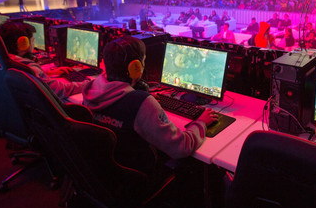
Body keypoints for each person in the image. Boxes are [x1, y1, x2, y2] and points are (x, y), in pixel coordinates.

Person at [81, 36, 217, 175]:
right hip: (139, 179)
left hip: (105, 173)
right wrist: (201, 123)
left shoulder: (91, 90)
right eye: (143, 61)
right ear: (135, 68)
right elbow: (181, 147)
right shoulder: (140, 102)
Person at [0, 21, 85, 99]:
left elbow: (33, 77)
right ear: (22, 44)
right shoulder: (28, 67)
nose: (34, 44)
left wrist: (48, 73)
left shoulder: (4, 60)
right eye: (32, 41)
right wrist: (88, 84)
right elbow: (60, 90)